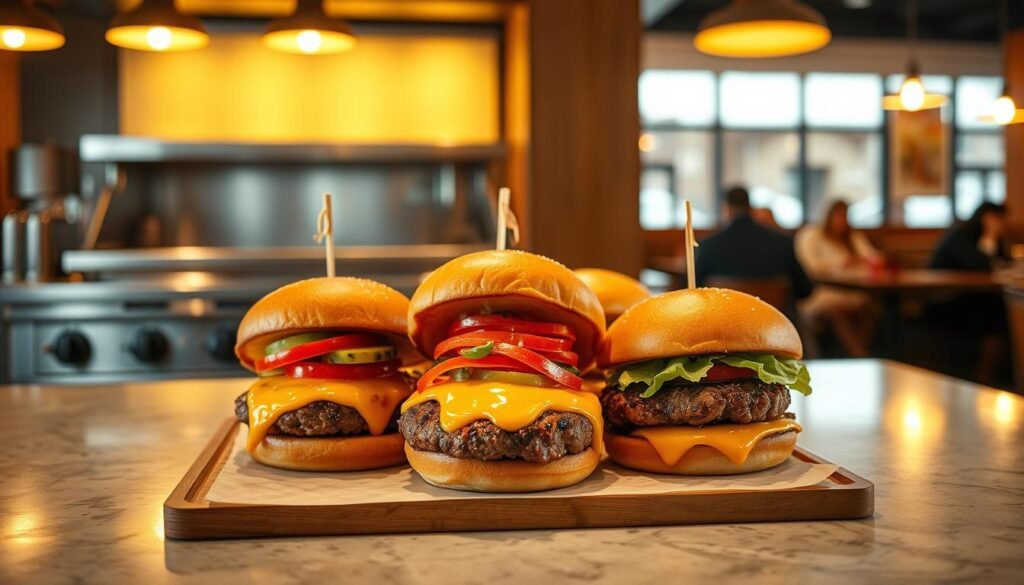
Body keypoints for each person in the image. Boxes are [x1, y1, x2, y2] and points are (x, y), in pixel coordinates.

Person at [695, 187, 812, 316]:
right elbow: (805, 290)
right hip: (773, 323)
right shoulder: (782, 242)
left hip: (724, 322)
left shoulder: (709, 245)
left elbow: (693, 290)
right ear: (750, 208)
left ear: (726, 208)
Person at [927, 202, 1009, 385]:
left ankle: (986, 375)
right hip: (945, 300)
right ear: (986, 218)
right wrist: (991, 238)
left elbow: (1004, 263)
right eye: (998, 218)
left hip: (970, 297)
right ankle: (983, 376)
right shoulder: (961, 235)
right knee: (997, 313)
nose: (1002, 223)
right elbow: (979, 264)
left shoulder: (991, 238)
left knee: (999, 309)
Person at [795, 199, 883, 357]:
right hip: (821, 294)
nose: (842, 221)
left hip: (851, 294)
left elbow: (873, 258)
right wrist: (841, 264)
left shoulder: (852, 237)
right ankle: (860, 356)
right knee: (838, 313)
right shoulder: (812, 235)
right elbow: (809, 267)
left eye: (845, 216)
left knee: (870, 309)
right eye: (838, 216)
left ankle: (859, 356)